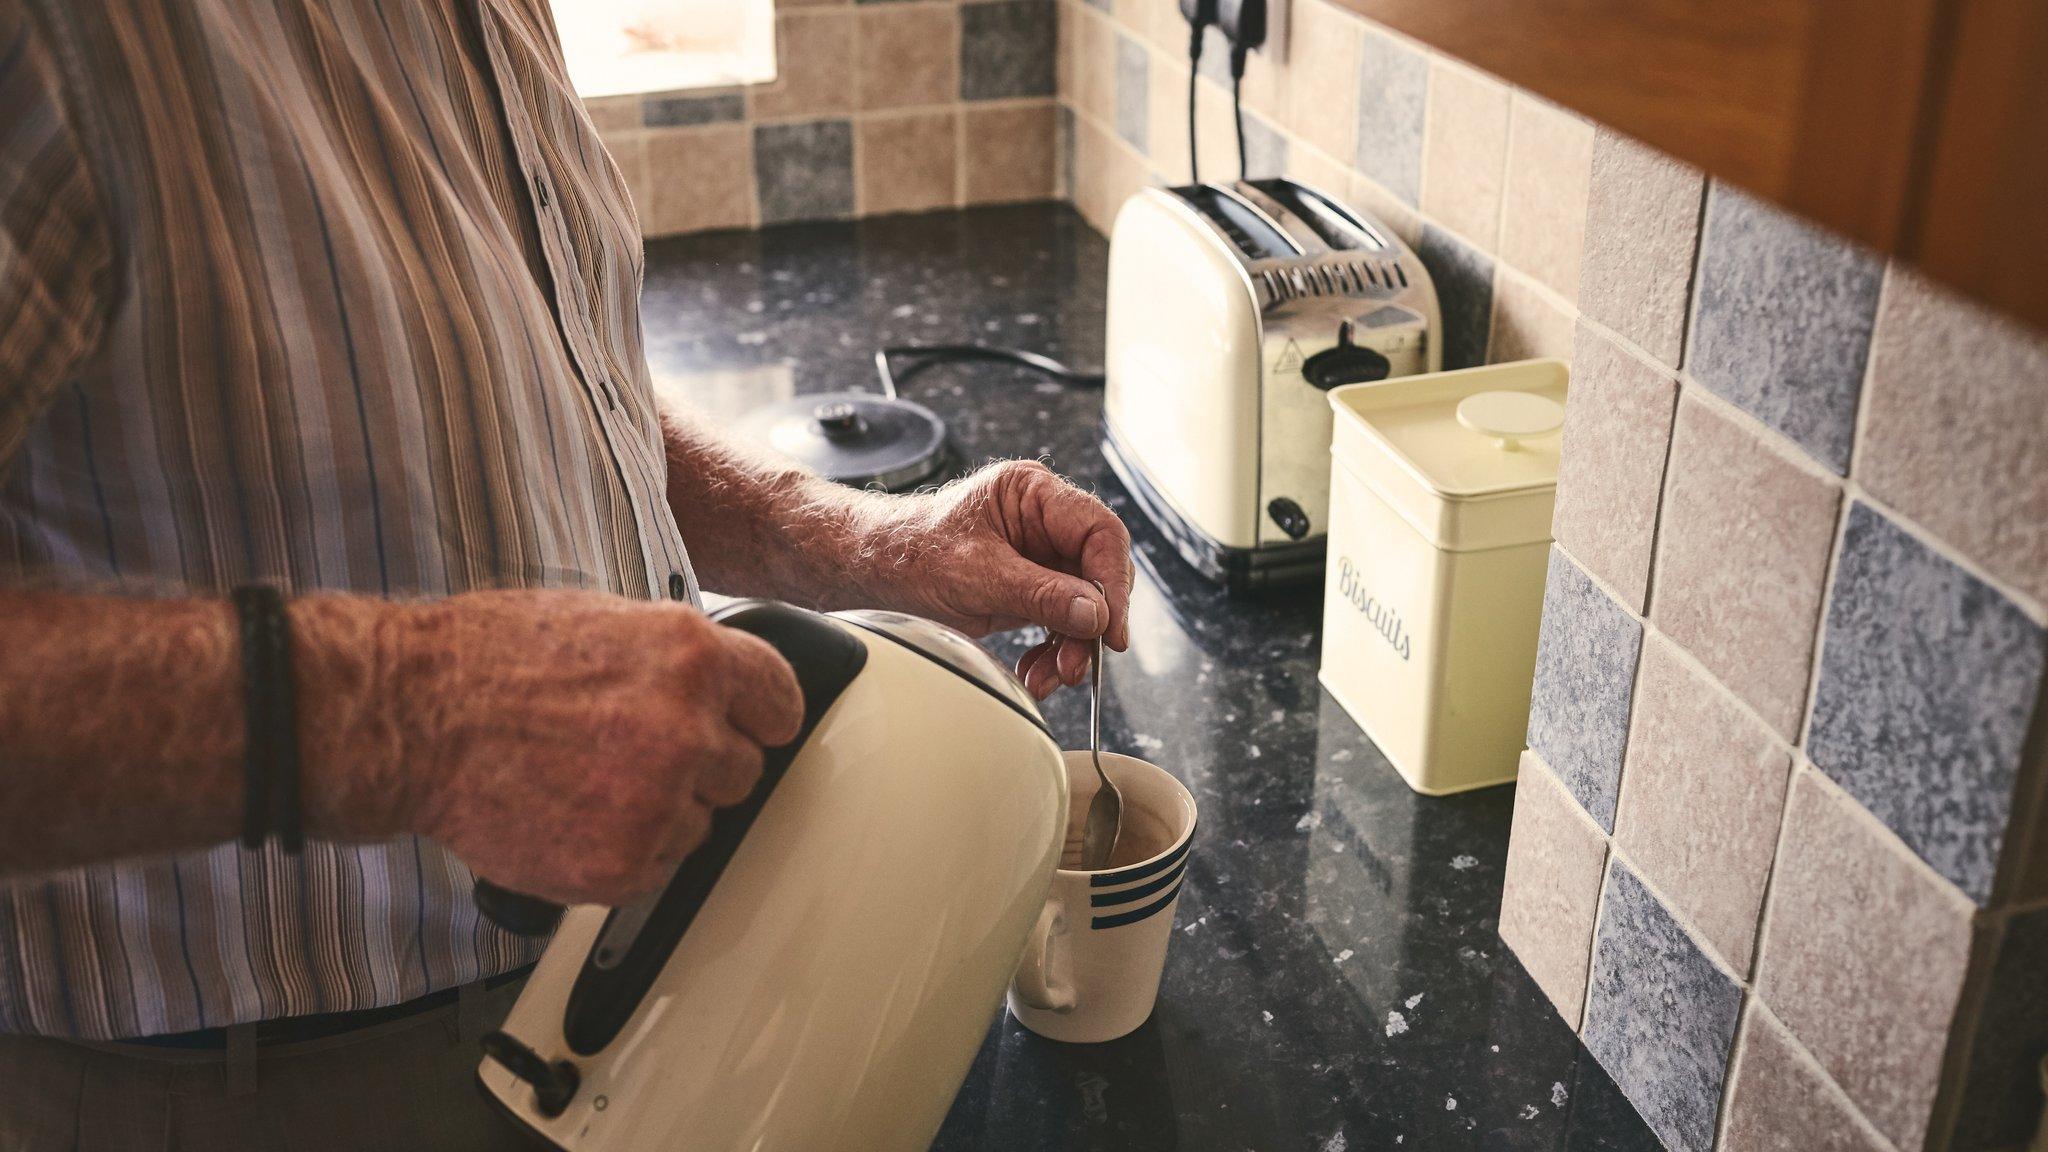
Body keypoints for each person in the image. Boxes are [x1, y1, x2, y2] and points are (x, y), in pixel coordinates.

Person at [0, 1, 1133, 1147]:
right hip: (248, 1089)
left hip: (586, 1001)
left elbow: (537, 383)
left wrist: (865, 542)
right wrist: (405, 715)